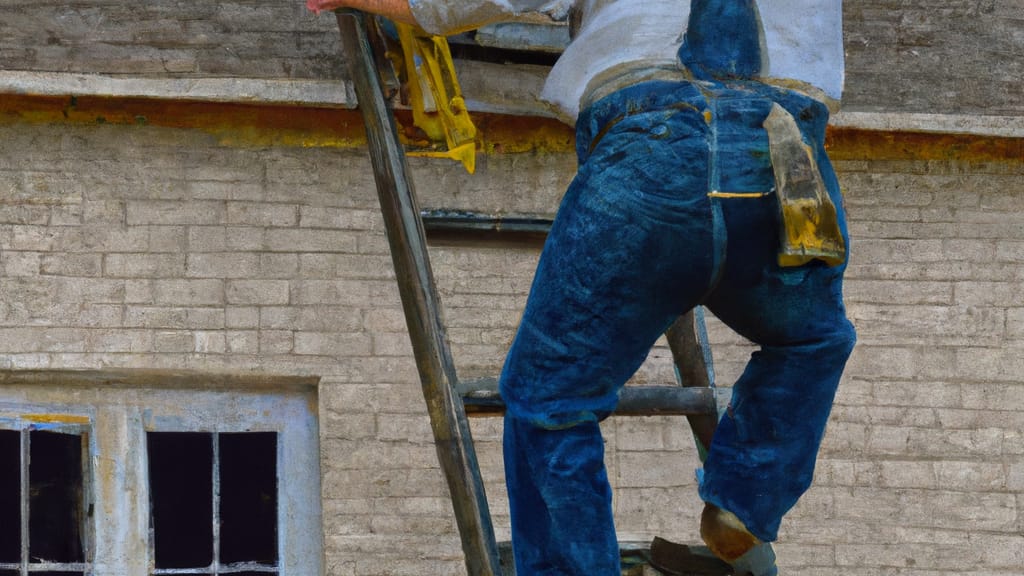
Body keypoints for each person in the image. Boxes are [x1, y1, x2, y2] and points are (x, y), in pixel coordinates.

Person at [307, 1, 857, 575]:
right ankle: (745, 501)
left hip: (656, 145)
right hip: (790, 159)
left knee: (549, 397)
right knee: (812, 341)